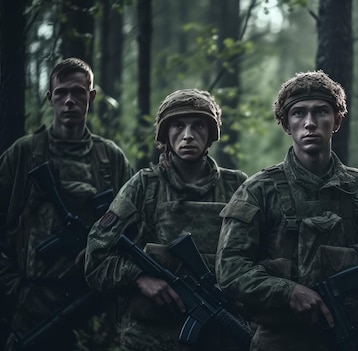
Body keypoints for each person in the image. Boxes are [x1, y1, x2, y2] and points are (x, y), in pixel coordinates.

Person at [215, 71, 358, 351]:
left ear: (337, 120)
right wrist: (288, 292)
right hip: (282, 340)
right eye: (298, 113)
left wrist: (356, 278)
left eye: (321, 111)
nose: (309, 123)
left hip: (357, 338)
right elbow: (230, 269)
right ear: (286, 124)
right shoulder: (258, 190)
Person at [84, 89, 247, 351]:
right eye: (178, 126)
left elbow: (261, 257)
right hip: (149, 340)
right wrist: (140, 279)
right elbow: (96, 259)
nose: (188, 135)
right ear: (165, 134)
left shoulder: (237, 186)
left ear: (211, 134)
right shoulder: (144, 187)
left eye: (198, 125)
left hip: (221, 336)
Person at [0, 57, 133, 350]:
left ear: (92, 97)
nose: (69, 101)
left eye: (78, 92)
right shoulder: (24, 154)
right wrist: (13, 287)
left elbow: (135, 230)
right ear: (50, 98)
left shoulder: (110, 159)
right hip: (32, 305)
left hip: (95, 305)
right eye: (61, 93)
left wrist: (100, 253)